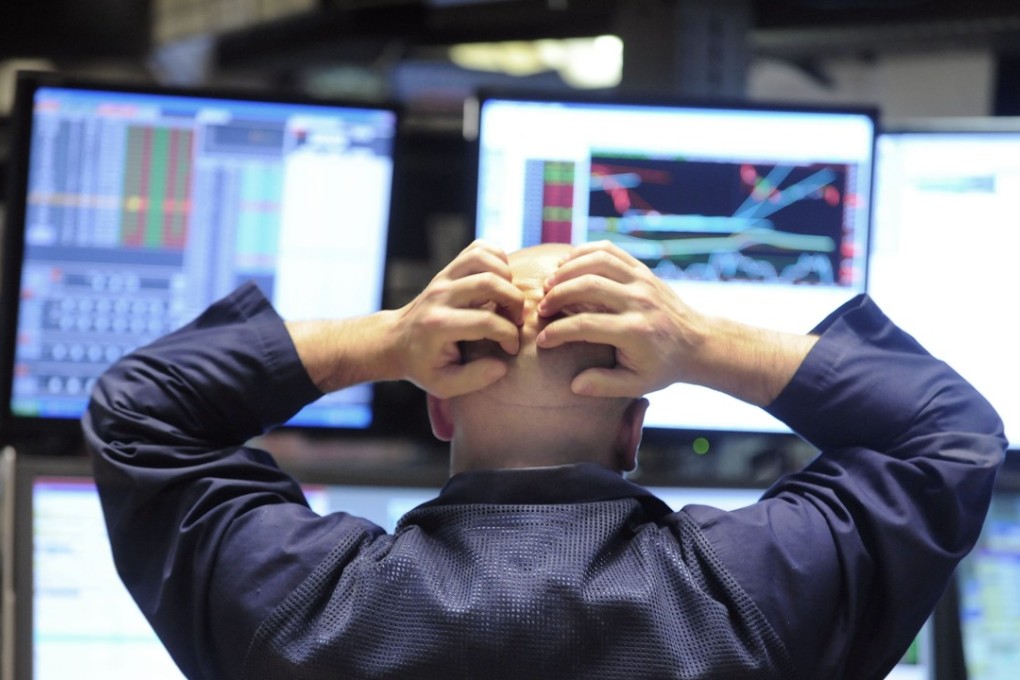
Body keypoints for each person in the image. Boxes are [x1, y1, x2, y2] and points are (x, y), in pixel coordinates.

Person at [83, 240, 1006, 680]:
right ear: (632, 430)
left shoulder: (300, 607)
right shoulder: (752, 598)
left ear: (438, 407)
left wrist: (386, 339)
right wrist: (700, 344)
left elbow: (140, 411)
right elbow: (948, 432)